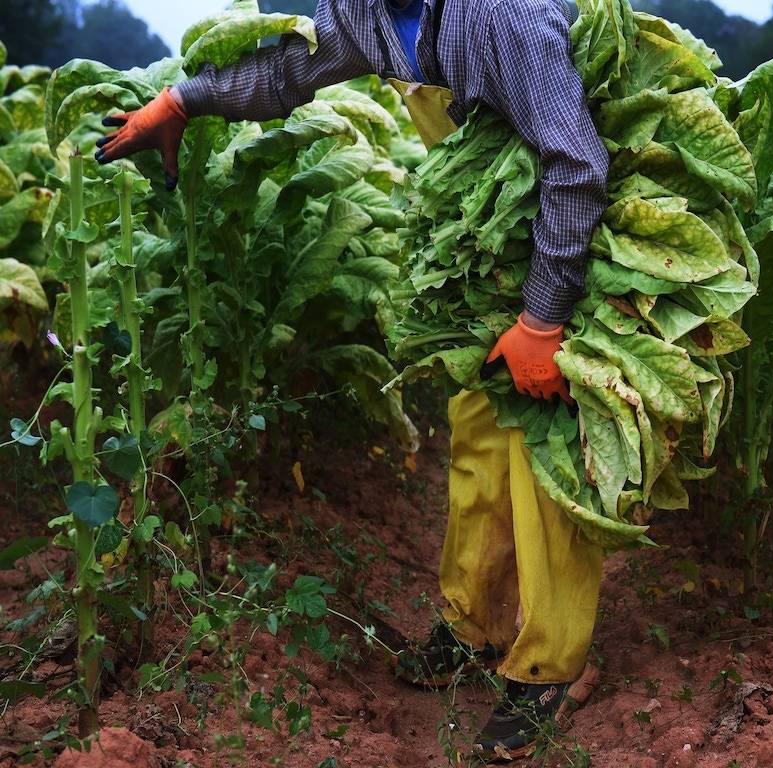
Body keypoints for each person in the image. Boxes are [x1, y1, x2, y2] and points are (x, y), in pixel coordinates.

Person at [96, 0, 609, 759]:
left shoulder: (502, 17)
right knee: (477, 422)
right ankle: (477, 626)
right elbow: (289, 71)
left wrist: (542, 320)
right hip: (496, 207)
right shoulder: (367, 10)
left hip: (573, 224)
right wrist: (183, 99)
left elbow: (576, 164)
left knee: (545, 434)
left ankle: (553, 665)